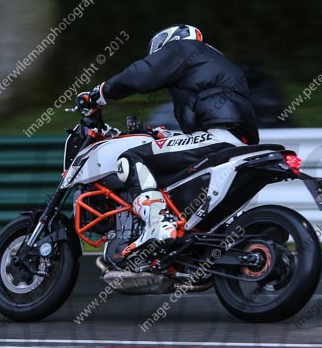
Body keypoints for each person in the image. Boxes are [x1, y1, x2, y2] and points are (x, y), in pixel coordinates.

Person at [76, 24, 259, 256]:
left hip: (217, 136)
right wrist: (169, 136)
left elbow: (141, 75)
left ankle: (157, 224)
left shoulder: (183, 48)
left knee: (131, 159)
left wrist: (101, 93)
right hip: (239, 140)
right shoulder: (218, 63)